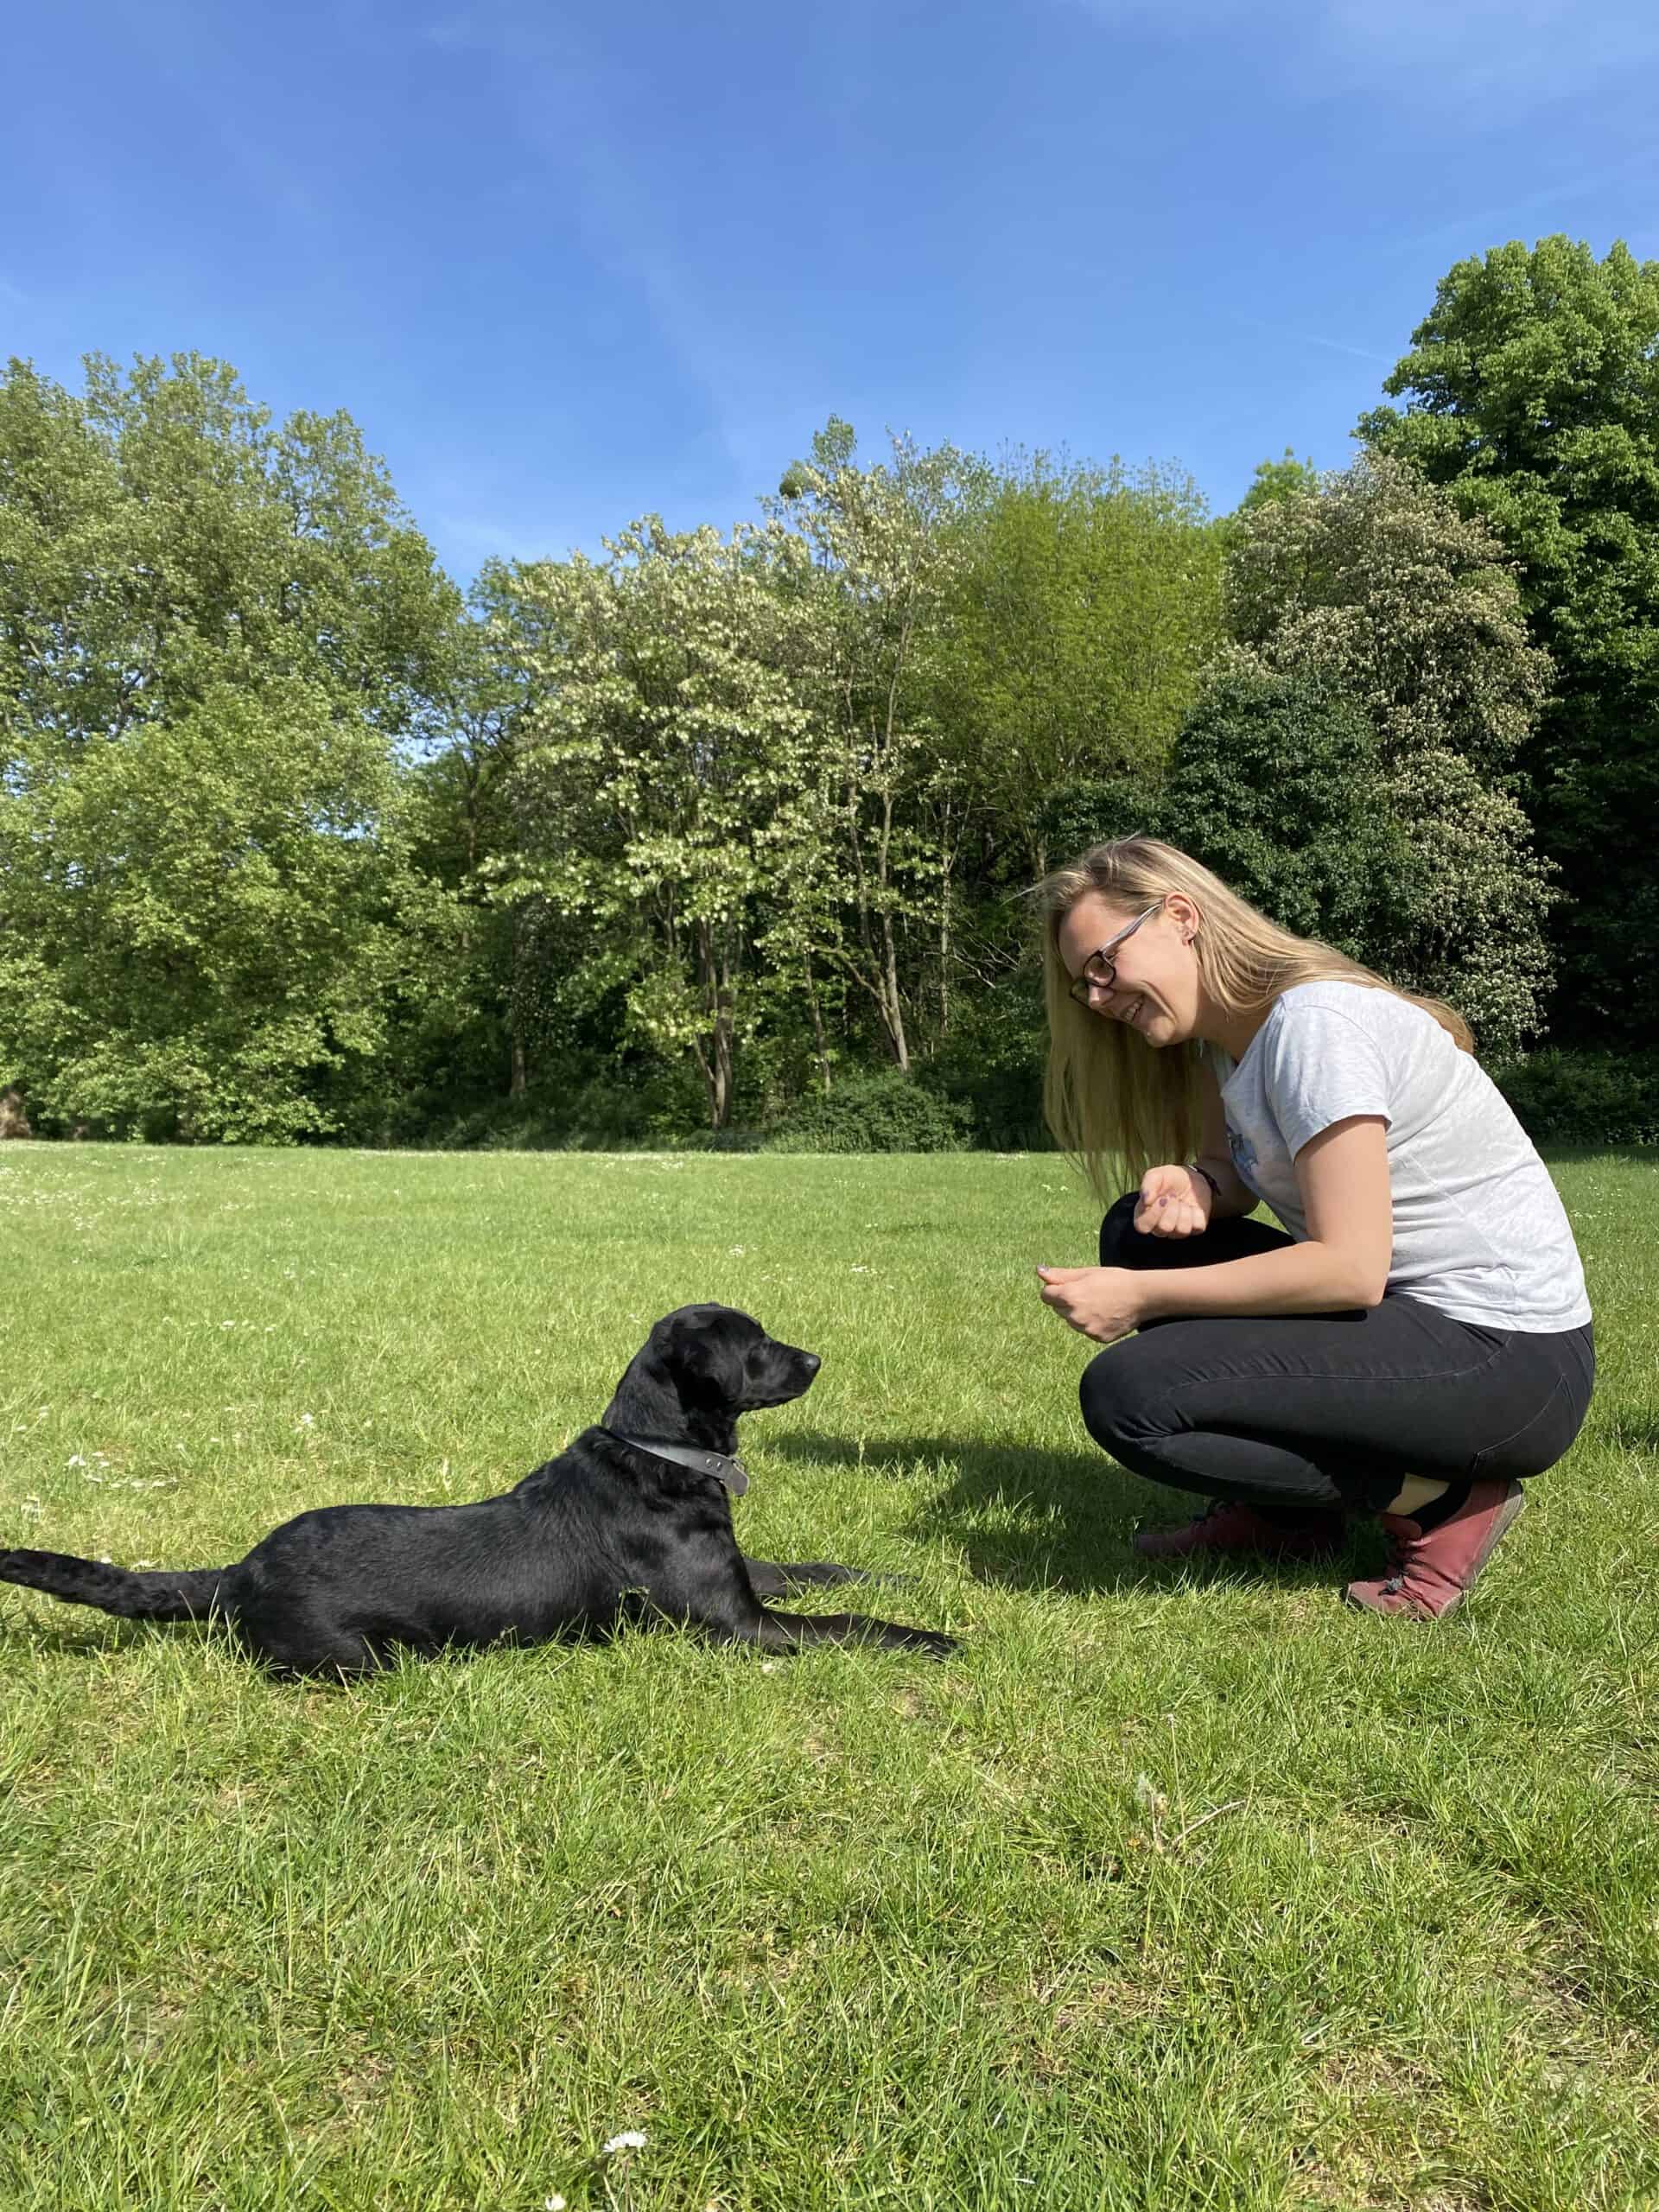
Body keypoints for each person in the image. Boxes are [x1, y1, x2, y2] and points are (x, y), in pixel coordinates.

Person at [1033, 836, 1594, 1619]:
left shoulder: (1315, 1026)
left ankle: (1446, 1502)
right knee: (1137, 1230)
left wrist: (1143, 1297)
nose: (1096, 997)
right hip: (1421, 1325)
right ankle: (1291, 1519)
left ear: (1181, 917)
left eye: (1103, 963)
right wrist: (1196, 1182)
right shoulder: (1225, 1048)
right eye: (1081, 982)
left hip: (1509, 1359)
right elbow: (1232, 1172)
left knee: (1132, 1397)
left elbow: (1350, 1268)